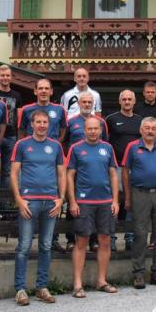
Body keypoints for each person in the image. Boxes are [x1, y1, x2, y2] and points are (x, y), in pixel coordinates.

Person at [11, 110, 66, 306]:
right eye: (38, 122)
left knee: (45, 246)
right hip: (29, 202)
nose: (42, 125)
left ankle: (42, 287)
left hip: (50, 202)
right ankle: (20, 289)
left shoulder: (56, 146)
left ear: (49, 125)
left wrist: (61, 199)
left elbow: (61, 174)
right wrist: (19, 199)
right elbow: (14, 173)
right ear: (31, 124)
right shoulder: (22, 144)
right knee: (24, 246)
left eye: (45, 122)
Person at [66, 116, 120, 298]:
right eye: (89, 128)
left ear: (101, 130)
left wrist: (115, 200)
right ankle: (78, 284)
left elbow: (113, 175)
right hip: (84, 202)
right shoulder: (76, 148)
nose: (93, 131)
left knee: (104, 241)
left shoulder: (108, 148)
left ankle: (101, 281)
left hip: (105, 202)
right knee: (81, 241)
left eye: (96, 128)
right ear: (84, 130)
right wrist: (72, 201)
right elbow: (69, 176)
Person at [121, 117, 156, 289]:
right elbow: (125, 172)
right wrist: (128, 197)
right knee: (140, 235)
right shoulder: (132, 147)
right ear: (141, 130)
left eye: (153, 128)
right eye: (147, 128)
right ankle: (138, 274)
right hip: (139, 194)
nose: (150, 131)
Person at [62, 92, 108, 251]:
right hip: (76, 167)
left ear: (93, 104)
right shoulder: (71, 122)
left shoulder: (101, 122)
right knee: (72, 205)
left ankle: (93, 239)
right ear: (79, 104)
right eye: (84, 102)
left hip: (95, 169)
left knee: (94, 205)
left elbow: (105, 144)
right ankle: (70, 239)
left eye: (90, 102)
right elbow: (64, 141)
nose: (87, 104)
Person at [105, 90, 143, 251]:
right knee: (114, 202)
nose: (127, 102)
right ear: (120, 102)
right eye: (124, 99)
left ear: (134, 102)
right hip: (116, 168)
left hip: (135, 168)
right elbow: (105, 142)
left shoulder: (140, 120)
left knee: (132, 202)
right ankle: (111, 238)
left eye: (130, 99)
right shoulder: (111, 119)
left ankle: (129, 237)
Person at [0, 64, 24, 189]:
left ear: (11, 77)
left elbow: (20, 118)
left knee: (8, 170)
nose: (5, 78)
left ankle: (5, 203)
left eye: (7, 75)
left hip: (11, 136)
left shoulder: (17, 95)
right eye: (2, 75)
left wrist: (19, 138)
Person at [19, 78, 67, 143]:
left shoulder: (60, 109)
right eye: (40, 88)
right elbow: (21, 131)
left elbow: (63, 130)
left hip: (51, 149)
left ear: (51, 91)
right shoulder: (26, 109)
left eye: (46, 88)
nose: (43, 91)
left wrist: (55, 145)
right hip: (31, 148)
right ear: (35, 91)